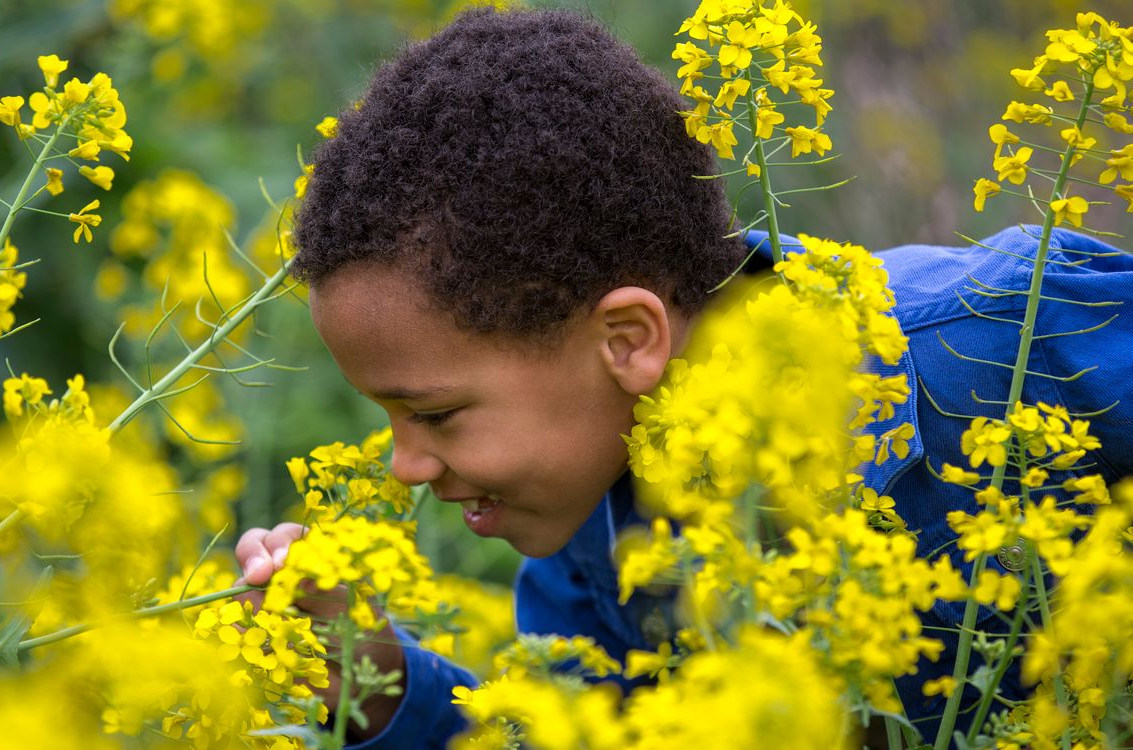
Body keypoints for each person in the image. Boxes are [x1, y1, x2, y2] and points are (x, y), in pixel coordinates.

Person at [232, 8, 1133, 748]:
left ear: (628, 339)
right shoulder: (588, 535)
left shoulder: (1008, 338)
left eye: (433, 412)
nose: (405, 465)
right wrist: (376, 684)